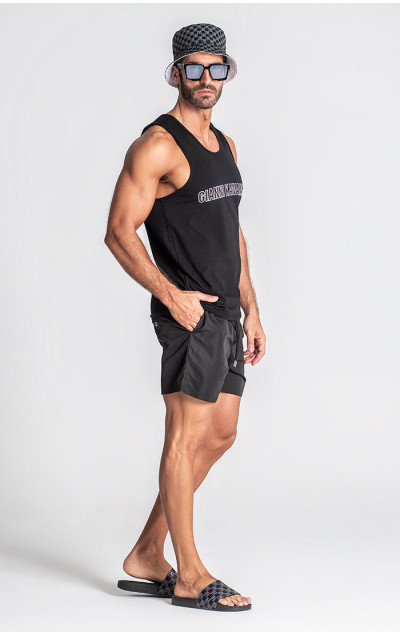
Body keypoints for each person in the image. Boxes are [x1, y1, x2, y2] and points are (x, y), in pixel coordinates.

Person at [104, 22, 266, 612]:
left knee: (220, 435)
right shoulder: (157, 146)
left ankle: (148, 551)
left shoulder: (225, 145)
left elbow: (232, 231)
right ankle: (190, 575)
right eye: (194, 68)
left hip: (227, 312)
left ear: (227, 73)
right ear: (176, 73)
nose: (205, 79)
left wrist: (251, 307)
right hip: (190, 316)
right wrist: (173, 297)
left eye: (216, 68)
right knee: (185, 437)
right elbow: (119, 233)